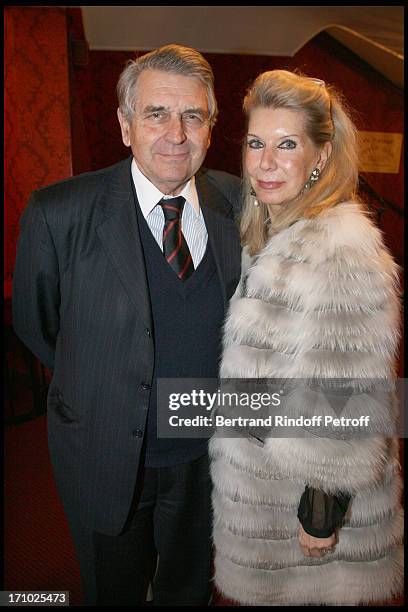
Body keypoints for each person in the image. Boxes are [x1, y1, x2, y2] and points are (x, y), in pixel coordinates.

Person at [12, 44, 242, 606]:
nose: (176, 133)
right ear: (124, 126)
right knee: (111, 590)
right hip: (105, 451)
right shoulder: (58, 212)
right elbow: (40, 329)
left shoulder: (240, 204)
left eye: (193, 115)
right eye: (156, 114)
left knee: (188, 587)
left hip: (205, 456)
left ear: (212, 127)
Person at [209, 70, 403, 606]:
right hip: (262, 489)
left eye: (287, 145)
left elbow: (346, 397)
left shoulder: (338, 246)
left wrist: (319, 518)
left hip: (301, 507)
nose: (265, 162)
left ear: (321, 156)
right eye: (256, 143)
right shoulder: (272, 231)